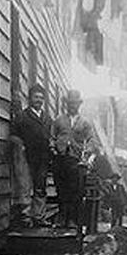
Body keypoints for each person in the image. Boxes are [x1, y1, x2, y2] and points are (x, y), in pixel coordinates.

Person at [11, 84, 53, 227]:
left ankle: (39, 217)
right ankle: (25, 217)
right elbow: (14, 135)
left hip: (43, 158)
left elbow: (51, 136)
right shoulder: (22, 116)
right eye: (36, 97)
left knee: (40, 187)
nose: (39, 100)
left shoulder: (47, 119)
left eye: (41, 98)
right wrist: (20, 146)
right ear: (30, 99)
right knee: (25, 187)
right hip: (26, 157)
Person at [52, 90, 95, 227]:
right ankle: (62, 218)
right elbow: (51, 137)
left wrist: (87, 151)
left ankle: (72, 219)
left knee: (74, 190)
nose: (72, 106)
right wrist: (53, 148)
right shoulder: (59, 120)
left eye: (75, 103)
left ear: (79, 104)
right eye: (70, 103)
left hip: (75, 160)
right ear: (66, 104)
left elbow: (91, 140)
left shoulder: (85, 122)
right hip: (60, 158)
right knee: (61, 188)